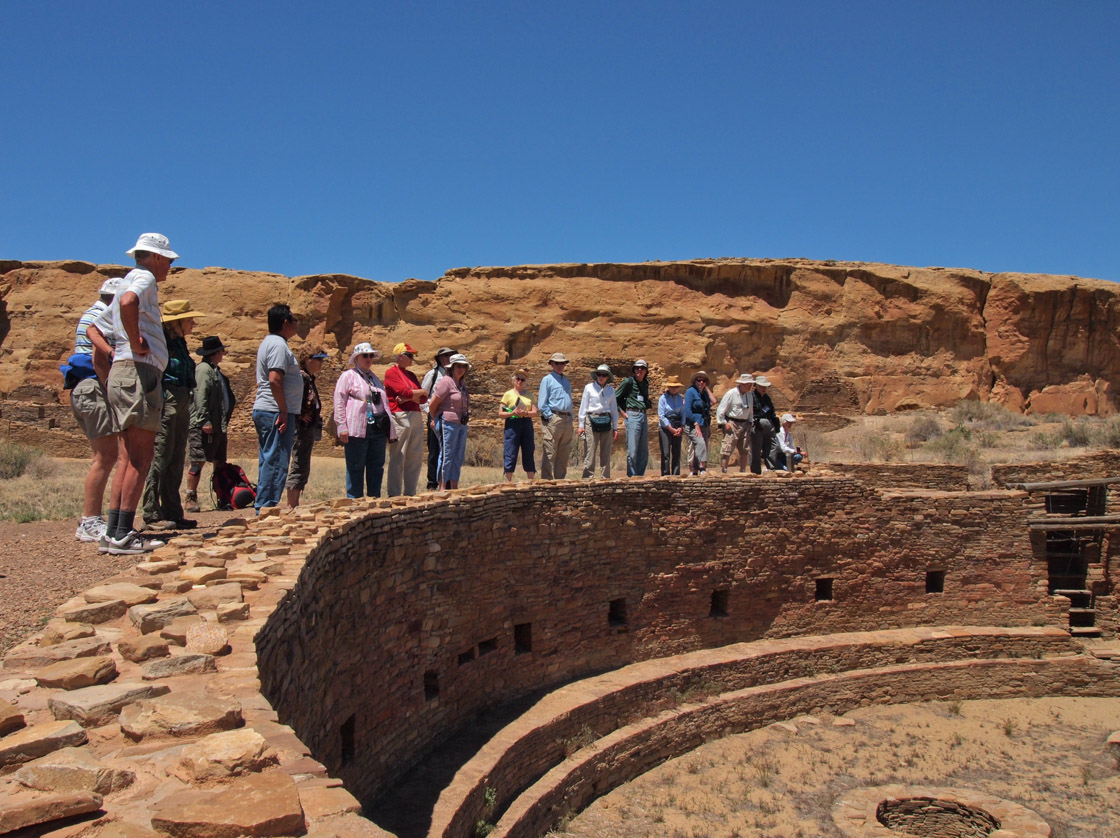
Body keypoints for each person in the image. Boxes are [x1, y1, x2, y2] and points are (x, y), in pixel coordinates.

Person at [86, 232, 177, 555]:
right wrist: (137, 343)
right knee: (141, 457)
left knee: (127, 455)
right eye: (167, 259)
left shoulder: (124, 280)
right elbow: (128, 304)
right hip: (140, 372)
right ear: (153, 257)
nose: (170, 266)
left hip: (125, 371)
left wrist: (113, 357)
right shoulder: (142, 279)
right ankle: (124, 532)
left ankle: (114, 530)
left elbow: (93, 329)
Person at [142, 299, 204, 529]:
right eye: (190, 320)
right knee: (161, 455)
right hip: (166, 399)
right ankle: (151, 511)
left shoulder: (180, 343)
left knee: (177, 456)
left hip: (182, 399)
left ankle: (172, 511)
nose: (194, 324)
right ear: (177, 322)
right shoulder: (161, 341)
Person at [70, 277, 122, 542]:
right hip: (94, 386)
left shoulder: (91, 311)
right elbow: (98, 356)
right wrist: (110, 387)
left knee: (102, 457)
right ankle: (90, 521)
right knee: (105, 457)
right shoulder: (104, 316)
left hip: (84, 387)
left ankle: (91, 519)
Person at [252, 304, 302, 511]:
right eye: (294, 319)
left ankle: (263, 506)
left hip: (270, 409)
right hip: (275, 411)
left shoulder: (271, 343)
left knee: (269, 459)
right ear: (285, 323)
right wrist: (283, 410)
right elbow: (274, 379)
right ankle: (266, 509)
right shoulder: (278, 346)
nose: (297, 323)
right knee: (276, 462)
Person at [333, 343, 395, 498]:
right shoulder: (348, 376)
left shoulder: (374, 378)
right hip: (356, 427)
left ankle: (374, 500)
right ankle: (355, 501)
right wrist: (341, 425)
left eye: (371, 356)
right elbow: (339, 400)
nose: (369, 359)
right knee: (355, 466)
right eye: (365, 356)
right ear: (356, 358)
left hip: (377, 427)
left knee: (376, 466)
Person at [185, 336, 235, 512]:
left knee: (219, 461)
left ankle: (222, 497)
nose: (223, 354)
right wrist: (204, 420)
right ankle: (190, 496)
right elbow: (200, 396)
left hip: (218, 425)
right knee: (198, 460)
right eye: (222, 351)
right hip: (205, 425)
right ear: (216, 352)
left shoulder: (216, 371)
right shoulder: (204, 370)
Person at [285, 347, 328, 508]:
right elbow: (292, 398)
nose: (321, 363)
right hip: (301, 428)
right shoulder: (301, 377)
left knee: (303, 463)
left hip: (308, 428)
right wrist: (300, 415)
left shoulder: (308, 378)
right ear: (308, 359)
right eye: (319, 359)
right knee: (299, 462)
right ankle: (291, 503)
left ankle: (294, 502)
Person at [385, 342, 429, 497]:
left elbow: (423, 398)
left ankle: (410, 493)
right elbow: (404, 391)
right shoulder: (391, 373)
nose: (412, 359)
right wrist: (418, 392)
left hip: (415, 414)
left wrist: (410, 396)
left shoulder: (411, 375)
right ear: (399, 356)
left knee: (415, 456)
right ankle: (395, 494)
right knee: (399, 455)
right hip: (400, 415)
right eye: (409, 355)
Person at [428, 353, 472, 490]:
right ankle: (442, 487)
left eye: (463, 366)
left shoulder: (462, 384)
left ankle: (454, 486)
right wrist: (435, 419)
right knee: (447, 454)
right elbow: (432, 404)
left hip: (461, 424)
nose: (461, 369)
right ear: (451, 367)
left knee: (458, 455)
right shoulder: (446, 381)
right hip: (447, 422)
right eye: (458, 366)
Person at [421, 347, 455, 491]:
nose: (447, 358)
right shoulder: (433, 374)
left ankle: (445, 481)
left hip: (450, 416)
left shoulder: (454, 375)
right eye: (445, 356)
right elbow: (423, 396)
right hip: (435, 415)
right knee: (435, 448)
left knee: (448, 449)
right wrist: (430, 412)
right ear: (440, 359)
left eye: (450, 355)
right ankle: (432, 482)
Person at [578, 364, 619, 479]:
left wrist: (615, 427)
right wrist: (581, 425)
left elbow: (614, 409)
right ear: (596, 376)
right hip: (591, 420)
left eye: (604, 375)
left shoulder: (611, 390)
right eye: (599, 374)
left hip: (606, 421)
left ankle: (605, 478)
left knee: (606, 452)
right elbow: (583, 406)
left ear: (607, 377)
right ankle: (587, 479)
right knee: (590, 451)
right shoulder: (589, 388)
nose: (601, 377)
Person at [538, 352, 574, 480]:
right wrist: (550, 416)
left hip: (567, 419)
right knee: (549, 451)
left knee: (564, 452)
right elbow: (542, 403)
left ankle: (560, 481)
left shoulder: (566, 381)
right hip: (554, 417)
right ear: (552, 364)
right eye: (557, 363)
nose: (560, 366)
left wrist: (571, 417)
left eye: (562, 363)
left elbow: (569, 400)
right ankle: (546, 481)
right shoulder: (547, 380)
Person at [614, 359, 651, 477]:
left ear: (646, 371)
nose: (639, 370)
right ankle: (632, 476)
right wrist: (623, 413)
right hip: (633, 414)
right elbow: (615, 398)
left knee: (644, 450)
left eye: (642, 368)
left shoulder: (646, 383)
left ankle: (640, 475)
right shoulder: (628, 382)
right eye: (637, 368)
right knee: (633, 449)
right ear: (634, 370)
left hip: (643, 415)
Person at [499, 369, 537, 482]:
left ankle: (530, 481)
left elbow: (535, 412)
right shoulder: (507, 394)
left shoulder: (530, 395)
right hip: (512, 423)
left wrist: (525, 413)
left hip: (526, 422)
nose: (520, 381)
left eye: (522, 379)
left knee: (528, 450)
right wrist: (512, 413)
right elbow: (500, 413)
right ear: (513, 380)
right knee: (510, 450)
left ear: (525, 381)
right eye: (518, 379)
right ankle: (508, 481)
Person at [717, 373, 755, 474]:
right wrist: (724, 423)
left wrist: (750, 422)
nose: (750, 386)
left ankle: (743, 470)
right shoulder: (731, 393)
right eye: (749, 384)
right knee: (727, 447)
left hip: (745, 423)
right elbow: (721, 409)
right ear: (743, 384)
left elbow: (750, 410)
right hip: (732, 423)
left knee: (744, 449)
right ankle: (724, 470)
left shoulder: (749, 395)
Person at [683, 371, 713, 476]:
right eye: (698, 380)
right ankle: (702, 466)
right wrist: (695, 423)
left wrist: (708, 426)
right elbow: (687, 410)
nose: (701, 382)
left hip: (704, 423)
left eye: (703, 381)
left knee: (700, 446)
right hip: (692, 424)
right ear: (695, 381)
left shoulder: (704, 393)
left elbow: (709, 406)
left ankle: (695, 471)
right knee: (700, 443)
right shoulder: (690, 392)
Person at [657, 375, 685, 476]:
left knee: (676, 452)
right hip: (665, 427)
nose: (674, 389)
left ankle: (676, 474)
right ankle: (665, 475)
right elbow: (661, 415)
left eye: (676, 387)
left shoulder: (680, 398)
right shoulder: (663, 399)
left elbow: (683, 413)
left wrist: (681, 427)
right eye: (672, 387)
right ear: (668, 387)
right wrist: (670, 428)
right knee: (666, 453)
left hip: (677, 425)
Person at [751, 374, 780, 473]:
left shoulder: (767, 397)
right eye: (761, 386)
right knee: (756, 448)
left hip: (769, 424)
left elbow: (772, 410)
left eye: (765, 387)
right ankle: (756, 471)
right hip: (757, 424)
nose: (764, 388)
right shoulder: (751, 396)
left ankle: (771, 468)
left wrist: (775, 424)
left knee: (772, 446)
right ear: (756, 386)